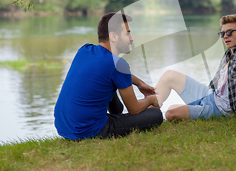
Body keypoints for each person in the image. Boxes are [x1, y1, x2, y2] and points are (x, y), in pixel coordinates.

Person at [54, 12, 163, 140]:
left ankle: (118, 114)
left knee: (107, 82)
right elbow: (134, 109)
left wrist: (139, 83)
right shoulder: (118, 65)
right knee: (156, 115)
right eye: (127, 33)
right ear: (113, 36)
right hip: (89, 131)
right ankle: (120, 119)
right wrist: (151, 100)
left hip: (64, 127)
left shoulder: (84, 50)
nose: (132, 38)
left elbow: (108, 70)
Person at [155, 14, 236, 121]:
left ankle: (150, 116)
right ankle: (147, 114)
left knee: (171, 113)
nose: (225, 36)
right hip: (210, 95)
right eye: (222, 33)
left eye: (229, 32)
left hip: (221, 109)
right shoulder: (229, 52)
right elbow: (216, 82)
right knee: (169, 75)